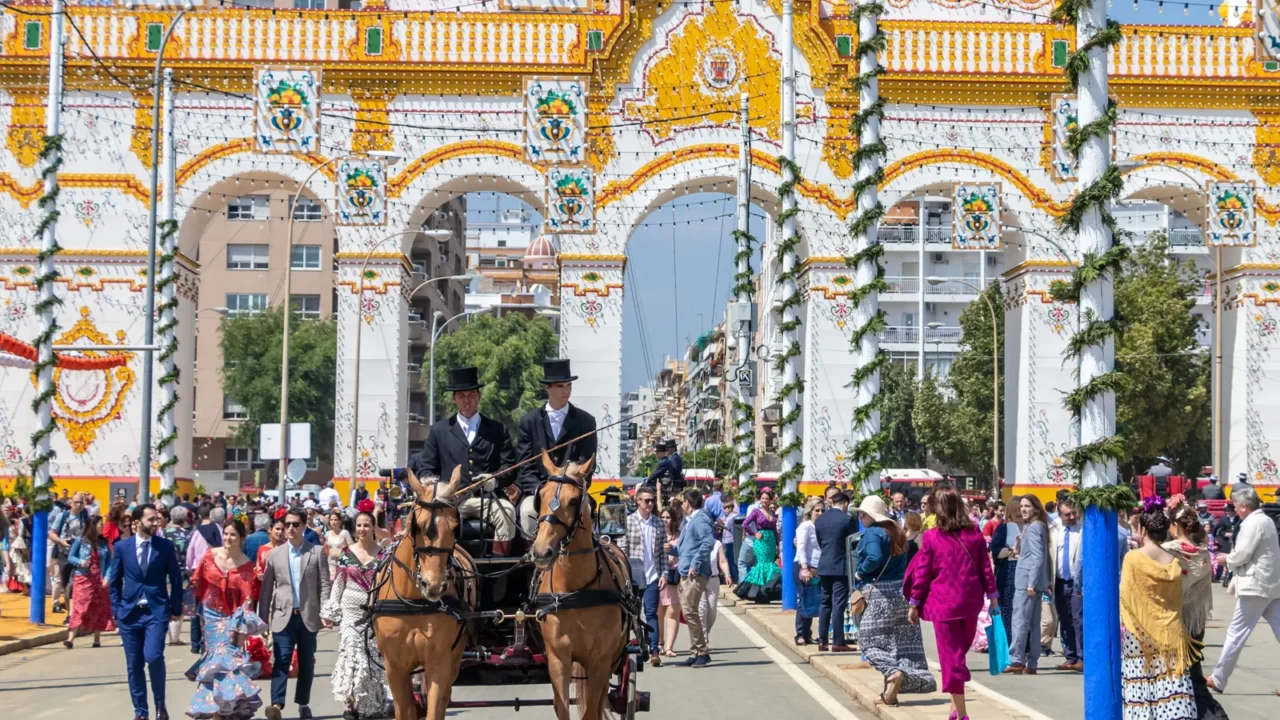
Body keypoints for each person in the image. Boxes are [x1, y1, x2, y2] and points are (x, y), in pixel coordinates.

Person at [902, 486, 998, 720]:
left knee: (953, 659)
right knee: (957, 656)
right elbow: (986, 568)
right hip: (970, 603)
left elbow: (923, 573)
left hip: (943, 605)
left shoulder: (933, 537)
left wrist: (914, 602)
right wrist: (993, 597)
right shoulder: (974, 532)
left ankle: (961, 713)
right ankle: (956, 710)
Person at [411, 366, 519, 554]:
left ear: (479, 396)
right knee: (428, 518)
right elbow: (426, 470)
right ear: (454, 399)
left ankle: (498, 573)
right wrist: (441, 488)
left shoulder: (497, 430)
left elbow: (510, 467)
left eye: (471, 395)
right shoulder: (439, 431)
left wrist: (494, 480)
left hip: (487, 499)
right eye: (461, 396)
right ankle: (441, 566)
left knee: (508, 513)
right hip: (450, 501)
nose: (466, 400)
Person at [1119, 499, 1198, 719]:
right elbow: (1177, 599)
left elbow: (1126, 596)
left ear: (1143, 529)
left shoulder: (1133, 558)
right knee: (1171, 685)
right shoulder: (1174, 561)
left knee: (1141, 687)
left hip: (1139, 633)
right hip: (1170, 632)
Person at [854, 495, 935, 705]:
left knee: (868, 641)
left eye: (861, 514)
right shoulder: (896, 532)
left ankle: (892, 672)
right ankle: (890, 693)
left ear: (870, 515)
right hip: (901, 592)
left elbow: (873, 557)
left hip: (879, 593)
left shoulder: (872, 533)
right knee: (899, 644)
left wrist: (860, 573)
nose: (860, 517)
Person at [109, 504, 184, 720]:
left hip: (156, 612)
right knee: (134, 665)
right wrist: (116, 610)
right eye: (151, 519)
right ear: (137, 522)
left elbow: (176, 579)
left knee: (153, 656)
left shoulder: (165, 546)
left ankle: (160, 706)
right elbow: (114, 582)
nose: (156, 523)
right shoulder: (123, 547)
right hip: (129, 614)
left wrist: (176, 608)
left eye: (157, 519)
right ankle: (140, 711)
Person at [186, 518, 265, 720]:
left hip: (232, 619)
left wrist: (242, 630)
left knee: (226, 662)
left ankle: (224, 709)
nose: (229, 538)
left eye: (233, 535)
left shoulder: (246, 566)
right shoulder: (209, 556)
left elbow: (247, 601)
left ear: (241, 538)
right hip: (210, 616)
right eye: (227, 534)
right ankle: (216, 711)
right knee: (214, 661)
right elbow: (197, 581)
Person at [258, 509, 332, 720]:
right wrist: (262, 620)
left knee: (307, 662)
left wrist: (326, 611)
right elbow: (266, 590)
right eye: (287, 524)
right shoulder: (274, 554)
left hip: (308, 616)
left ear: (304, 526)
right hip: (283, 615)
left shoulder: (316, 552)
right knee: (281, 659)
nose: (290, 528)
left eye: (295, 524)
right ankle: (276, 704)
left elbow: (325, 585)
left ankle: (303, 704)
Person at [1208, 485, 1280, 694]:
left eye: (1237, 506)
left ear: (1245, 506)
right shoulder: (1264, 520)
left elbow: (1242, 555)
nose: (1235, 509)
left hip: (1256, 586)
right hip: (1269, 585)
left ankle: (1218, 679)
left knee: (1236, 633)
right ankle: (1218, 678)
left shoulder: (1253, 523)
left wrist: (1225, 560)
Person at [514, 358, 597, 539]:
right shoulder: (529, 422)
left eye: (569, 386)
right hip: (540, 491)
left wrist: (568, 488)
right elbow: (525, 466)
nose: (566, 391)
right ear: (547, 388)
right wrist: (543, 490)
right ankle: (535, 561)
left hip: (571, 491)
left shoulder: (586, 421)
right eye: (560, 386)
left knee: (588, 511)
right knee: (527, 512)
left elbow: (588, 465)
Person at [321, 511, 391, 720]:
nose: (362, 529)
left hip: (374, 612)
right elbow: (338, 584)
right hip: (350, 612)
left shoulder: (383, 554)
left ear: (373, 528)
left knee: (372, 658)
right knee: (352, 655)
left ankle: (372, 703)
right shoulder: (346, 553)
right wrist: (331, 611)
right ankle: (350, 703)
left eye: (366, 525)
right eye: (359, 525)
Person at [1165, 506, 1228, 719]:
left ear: (1174, 526)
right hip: (1196, 623)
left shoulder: (1168, 551)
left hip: (1174, 621)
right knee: (1192, 673)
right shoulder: (1203, 554)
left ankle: (1214, 715)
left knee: (1183, 679)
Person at [617, 485, 667, 667]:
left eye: (652, 500)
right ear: (638, 501)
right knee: (633, 614)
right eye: (646, 500)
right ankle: (636, 648)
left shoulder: (659, 523)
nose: (650, 504)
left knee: (651, 613)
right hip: (634, 576)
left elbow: (662, 552)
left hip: (653, 576)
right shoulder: (628, 521)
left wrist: (664, 574)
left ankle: (654, 650)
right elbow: (622, 549)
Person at [1006, 494, 1051, 674]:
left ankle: (1016, 659)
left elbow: (1038, 556)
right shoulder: (1036, 526)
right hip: (1033, 580)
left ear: (1036, 509)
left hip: (1027, 582)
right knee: (1033, 623)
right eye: (1022, 506)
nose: (1023, 509)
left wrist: (1031, 583)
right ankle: (1032, 662)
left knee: (1020, 621)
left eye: (1027, 506)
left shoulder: (1033, 527)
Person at [676, 489, 717, 667]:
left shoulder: (700, 519)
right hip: (686, 570)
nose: (681, 505)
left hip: (695, 572)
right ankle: (696, 650)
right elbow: (689, 545)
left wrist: (695, 563)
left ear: (688, 502)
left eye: (683, 501)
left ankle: (702, 651)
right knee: (688, 612)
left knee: (690, 611)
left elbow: (708, 541)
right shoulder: (690, 520)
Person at [814, 491, 858, 652]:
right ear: (845, 503)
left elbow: (820, 542)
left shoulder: (820, 520)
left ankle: (822, 640)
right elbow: (853, 542)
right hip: (841, 565)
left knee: (825, 602)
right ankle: (838, 641)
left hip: (824, 564)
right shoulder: (848, 519)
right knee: (838, 603)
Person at [64, 515, 114, 649]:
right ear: (93, 526)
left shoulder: (104, 543)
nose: (102, 527)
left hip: (99, 578)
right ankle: (70, 638)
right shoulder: (81, 541)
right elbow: (71, 557)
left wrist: (107, 577)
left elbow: (109, 562)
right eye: (100, 524)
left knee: (99, 608)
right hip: (83, 578)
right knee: (79, 607)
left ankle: (97, 639)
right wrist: (80, 562)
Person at [1050, 496, 1084, 672]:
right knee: (1064, 619)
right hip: (1059, 581)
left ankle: (1081, 657)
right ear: (1059, 514)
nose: (1071, 517)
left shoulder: (1083, 529)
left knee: (1078, 619)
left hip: (1077, 583)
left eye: (1073, 513)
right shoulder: (1054, 530)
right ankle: (1070, 657)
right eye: (1066, 514)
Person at [735, 488, 782, 603]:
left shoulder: (772, 513)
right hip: (761, 541)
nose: (764, 500)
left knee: (770, 566)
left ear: (770, 500)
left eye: (766, 498)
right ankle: (753, 592)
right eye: (762, 498)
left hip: (770, 542)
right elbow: (745, 524)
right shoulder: (756, 511)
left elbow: (775, 530)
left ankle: (765, 592)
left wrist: (777, 544)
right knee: (762, 565)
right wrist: (754, 533)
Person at [49, 493, 89, 615]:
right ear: (71, 503)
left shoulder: (85, 517)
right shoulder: (63, 516)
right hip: (64, 553)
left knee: (82, 583)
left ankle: (79, 612)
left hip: (80, 555)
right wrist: (61, 541)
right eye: (76, 502)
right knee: (66, 584)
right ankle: (69, 614)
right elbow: (52, 533)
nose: (78, 505)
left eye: (81, 502)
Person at [794, 497, 824, 645]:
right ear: (810, 512)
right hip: (803, 566)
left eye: (822, 510)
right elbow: (801, 548)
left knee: (813, 599)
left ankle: (807, 634)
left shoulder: (822, 526)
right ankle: (800, 634)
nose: (820, 513)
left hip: (817, 567)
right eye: (817, 510)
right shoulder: (805, 526)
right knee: (804, 599)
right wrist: (805, 568)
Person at [162, 506, 193, 647]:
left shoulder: (162, 534)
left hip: (163, 573)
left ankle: (164, 633)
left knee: (164, 601)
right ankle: (174, 638)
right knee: (178, 602)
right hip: (182, 573)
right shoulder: (188, 535)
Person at [657, 503, 683, 657]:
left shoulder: (680, 535)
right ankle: (659, 643)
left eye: (668, 517)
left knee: (673, 613)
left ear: (674, 519)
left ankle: (669, 647)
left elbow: (686, 552)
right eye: (663, 517)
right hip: (659, 577)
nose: (665, 520)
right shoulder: (656, 534)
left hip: (674, 578)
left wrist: (675, 558)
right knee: (658, 612)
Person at [324, 510, 353, 579]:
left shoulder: (345, 533)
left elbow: (352, 548)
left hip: (342, 564)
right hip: (330, 564)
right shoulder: (327, 534)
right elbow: (325, 550)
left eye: (335, 520)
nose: (333, 522)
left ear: (340, 521)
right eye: (331, 520)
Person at [720, 493, 740, 585]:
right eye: (725, 508)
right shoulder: (728, 517)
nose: (726, 510)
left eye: (728, 507)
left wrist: (723, 526)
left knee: (731, 560)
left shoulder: (732, 517)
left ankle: (735, 577)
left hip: (730, 540)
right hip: (726, 540)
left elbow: (731, 529)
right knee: (728, 559)